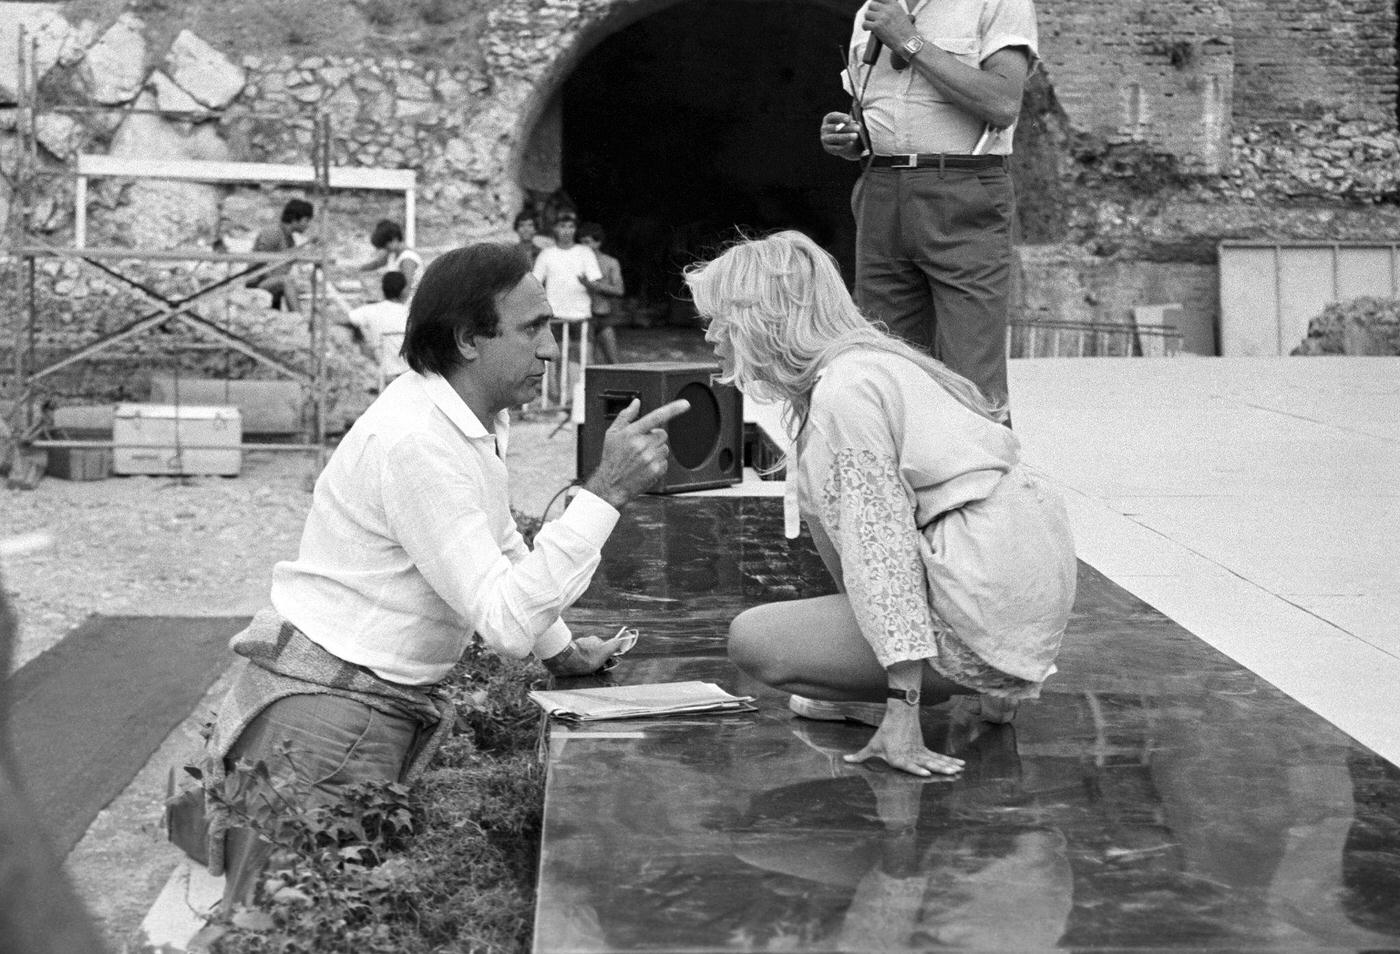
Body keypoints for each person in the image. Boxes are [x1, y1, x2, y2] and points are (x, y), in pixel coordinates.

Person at [201, 243, 690, 909]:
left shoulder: (455, 419)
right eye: (531, 329)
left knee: (319, 913)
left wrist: (563, 651)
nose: (549, 350)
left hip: (349, 709)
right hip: (330, 726)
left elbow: (499, 544)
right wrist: (605, 492)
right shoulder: (418, 443)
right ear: (467, 340)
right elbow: (505, 622)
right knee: (295, 920)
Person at [685, 231, 1075, 778]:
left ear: (759, 319)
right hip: (1016, 591)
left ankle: (922, 687)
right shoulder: (869, 363)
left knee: (752, 639)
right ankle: (984, 684)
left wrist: (903, 710)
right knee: (827, 514)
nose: (711, 336)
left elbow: (880, 548)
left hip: (980, 602)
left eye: (719, 319)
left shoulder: (844, 391)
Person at [820, 0, 1038, 416]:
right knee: (885, 363)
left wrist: (909, 40)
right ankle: (893, 476)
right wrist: (850, 138)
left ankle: (982, 476)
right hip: (881, 190)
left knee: (970, 374)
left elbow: (1003, 104)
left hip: (963, 187)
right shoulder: (871, 11)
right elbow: (873, 111)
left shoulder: (997, 2)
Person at [345, 269, 411, 386]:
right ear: (403, 291)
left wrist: (358, 335)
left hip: (384, 374)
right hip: (409, 374)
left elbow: (347, 319)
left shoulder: (371, 310)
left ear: (383, 290)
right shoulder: (411, 314)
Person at [249, 198, 315, 312]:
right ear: (295, 219)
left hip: (270, 283)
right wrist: (277, 280)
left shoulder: (289, 239)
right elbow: (258, 263)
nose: (308, 225)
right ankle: (300, 320)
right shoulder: (273, 232)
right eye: (306, 220)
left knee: (294, 282)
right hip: (255, 284)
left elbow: (287, 258)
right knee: (287, 281)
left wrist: (310, 244)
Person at [578, 222, 626, 364]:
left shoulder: (610, 262)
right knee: (588, 363)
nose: (584, 247)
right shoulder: (577, 262)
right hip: (584, 317)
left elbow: (619, 290)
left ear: (598, 242)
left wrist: (594, 286)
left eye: (588, 242)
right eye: (581, 243)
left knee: (613, 361)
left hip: (604, 316)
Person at [357, 218, 423, 293]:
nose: (385, 249)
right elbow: (377, 263)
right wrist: (360, 269)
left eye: (385, 246)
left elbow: (406, 288)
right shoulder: (392, 253)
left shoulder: (408, 259)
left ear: (394, 239)